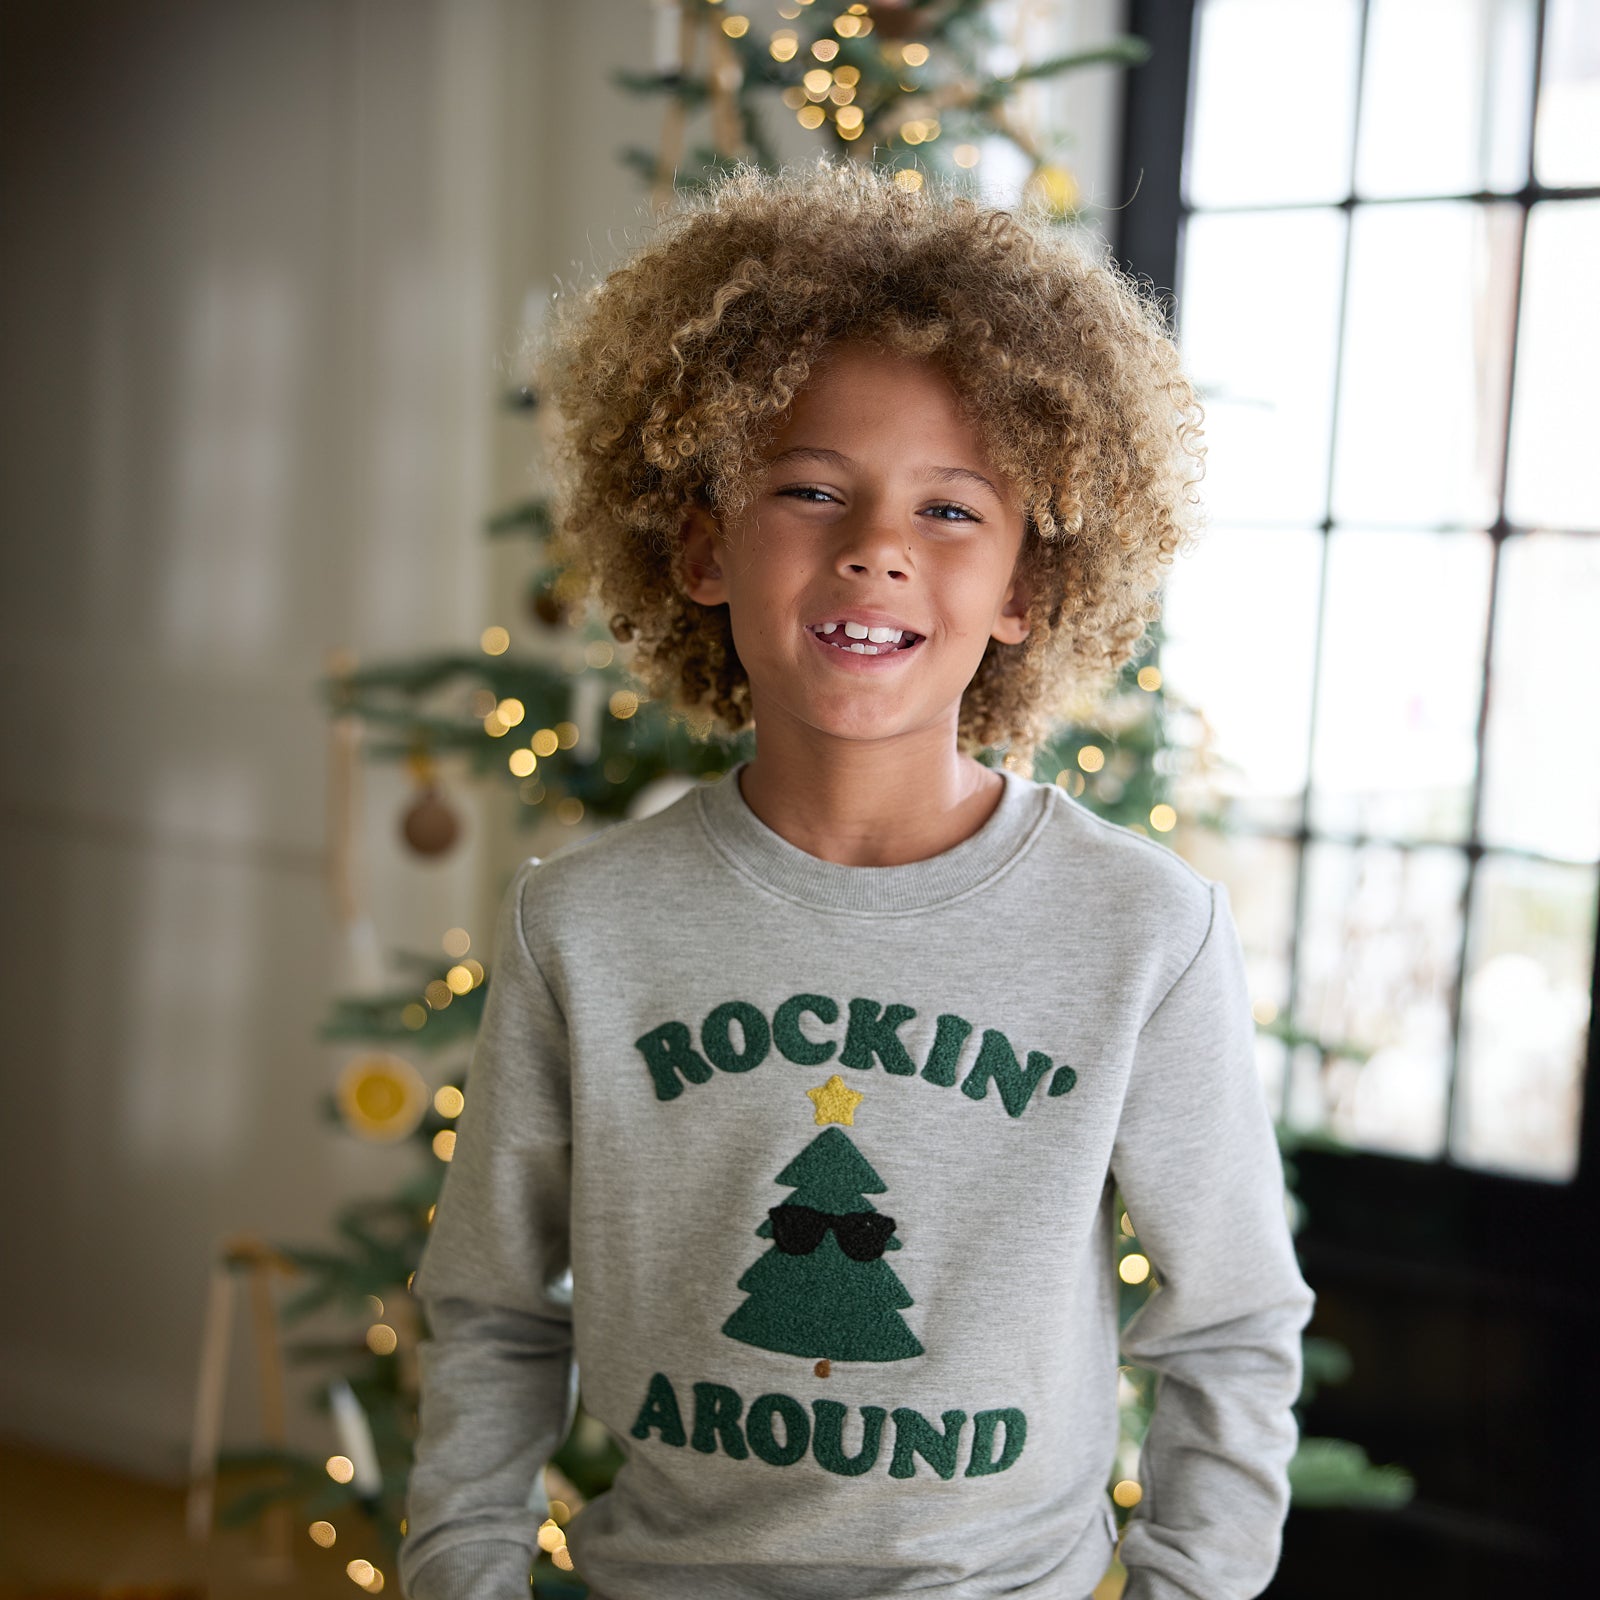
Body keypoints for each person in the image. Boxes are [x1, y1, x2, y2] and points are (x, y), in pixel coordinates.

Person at [398, 162, 1313, 1600]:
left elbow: (1231, 1335)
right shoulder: (584, 926)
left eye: (952, 511)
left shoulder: (1146, 932)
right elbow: (494, 1314)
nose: (877, 547)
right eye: (809, 488)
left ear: (1029, 586)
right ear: (700, 547)